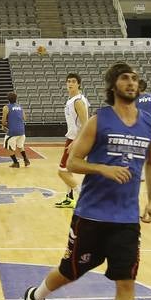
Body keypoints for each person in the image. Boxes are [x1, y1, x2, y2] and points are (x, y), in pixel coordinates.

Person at [19, 62, 151, 300]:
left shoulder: (150, 124)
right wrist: (103, 169)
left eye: (135, 79)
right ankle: (35, 296)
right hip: (92, 214)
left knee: (127, 281)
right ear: (113, 85)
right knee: (71, 271)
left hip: (126, 219)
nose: (131, 83)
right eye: (125, 78)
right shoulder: (100, 120)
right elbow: (72, 161)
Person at [55, 73, 89, 208]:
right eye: (68, 81)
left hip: (76, 140)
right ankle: (69, 198)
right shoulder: (71, 99)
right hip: (71, 138)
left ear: (79, 84)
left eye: (73, 81)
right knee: (66, 170)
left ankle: (83, 198)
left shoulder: (78, 101)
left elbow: (85, 124)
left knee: (61, 171)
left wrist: (76, 142)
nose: (70, 84)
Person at [1, 92, 29, 168]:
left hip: (13, 131)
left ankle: (15, 163)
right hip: (22, 131)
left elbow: (3, 121)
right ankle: (26, 159)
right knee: (20, 146)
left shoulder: (6, 107)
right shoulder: (20, 107)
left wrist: (3, 126)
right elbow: (24, 118)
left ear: (8, 99)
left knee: (8, 147)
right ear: (16, 99)